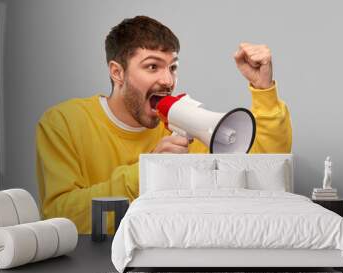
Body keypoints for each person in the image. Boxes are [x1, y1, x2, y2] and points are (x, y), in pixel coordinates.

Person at [36, 16, 292, 234]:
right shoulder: (64, 123)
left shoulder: (184, 123)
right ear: (117, 72)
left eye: (173, 67)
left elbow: (264, 167)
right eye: (152, 67)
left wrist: (263, 89)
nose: (168, 80)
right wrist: (147, 171)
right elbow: (60, 217)